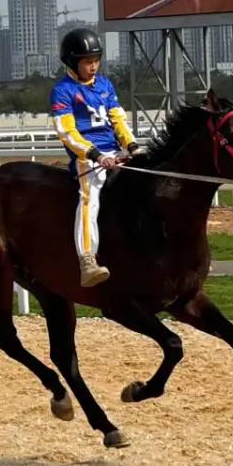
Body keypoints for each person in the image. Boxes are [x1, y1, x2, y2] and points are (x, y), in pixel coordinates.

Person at [49, 29, 142, 288]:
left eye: (96, 60)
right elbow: (67, 133)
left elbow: (118, 120)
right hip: (87, 158)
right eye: (87, 62)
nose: (93, 66)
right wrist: (96, 155)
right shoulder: (62, 91)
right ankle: (87, 259)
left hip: (113, 151)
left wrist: (132, 146)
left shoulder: (105, 84)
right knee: (90, 196)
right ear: (72, 62)